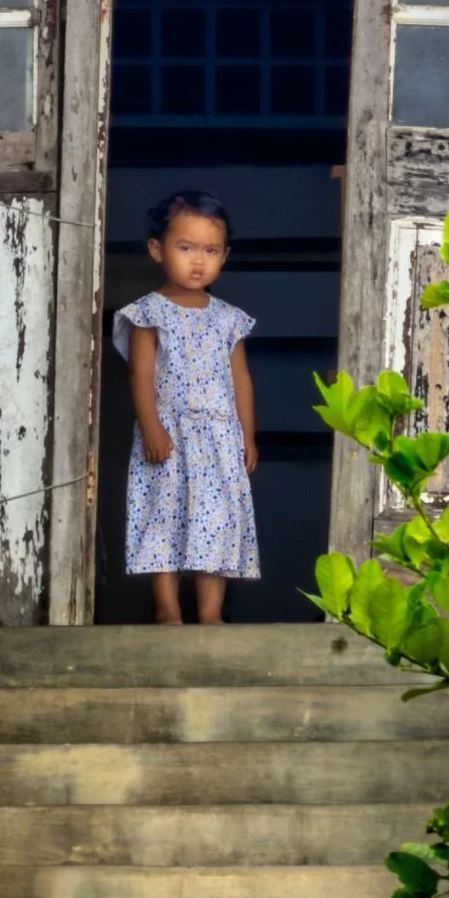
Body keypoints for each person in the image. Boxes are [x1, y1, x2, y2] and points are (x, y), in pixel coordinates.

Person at [113, 190, 259, 624]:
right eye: (186, 247)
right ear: (157, 250)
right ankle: (168, 611)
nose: (199, 260)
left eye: (210, 250)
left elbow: (241, 381)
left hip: (219, 438)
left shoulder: (230, 318)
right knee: (163, 515)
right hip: (169, 438)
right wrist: (152, 428)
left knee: (218, 521)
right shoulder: (147, 313)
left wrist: (247, 436)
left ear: (224, 256)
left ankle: (211, 614)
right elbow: (138, 375)